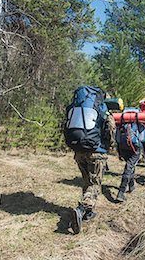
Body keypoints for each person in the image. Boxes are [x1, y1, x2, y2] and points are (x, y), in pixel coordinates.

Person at [64, 86, 109, 235]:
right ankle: (81, 209)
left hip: (79, 152)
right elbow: (110, 129)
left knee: (86, 181)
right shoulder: (102, 108)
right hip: (96, 152)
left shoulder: (76, 106)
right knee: (95, 185)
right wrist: (109, 145)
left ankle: (88, 213)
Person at [115, 114, 145, 202]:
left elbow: (117, 140)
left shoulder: (121, 125)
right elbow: (144, 140)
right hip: (135, 148)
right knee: (129, 167)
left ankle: (132, 186)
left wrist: (119, 153)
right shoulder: (140, 125)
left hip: (123, 148)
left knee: (130, 166)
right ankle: (121, 192)